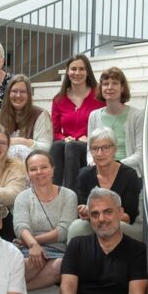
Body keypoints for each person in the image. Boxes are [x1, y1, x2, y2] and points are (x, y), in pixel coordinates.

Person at [13, 150, 78, 291]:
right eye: (33, 169)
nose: (39, 172)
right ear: (28, 174)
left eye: (44, 167)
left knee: (61, 265)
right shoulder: (22, 197)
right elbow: (20, 226)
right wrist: (32, 245)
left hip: (56, 249)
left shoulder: (69, 196)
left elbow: (63, 231)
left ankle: (18, 291)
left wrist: (34, 242)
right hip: (27, 249)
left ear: (53, 169)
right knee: (34, 260)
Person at [67, 127, 143, 243]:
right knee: (77, 227)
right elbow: (83, 208)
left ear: (115, 149)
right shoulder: (84, 174)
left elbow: (128, 217)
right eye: (95, 148)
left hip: (122, 226)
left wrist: (97, 214)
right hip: (93, 224)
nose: (100, 153)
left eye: (106, 148)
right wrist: (83, 210)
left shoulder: (129, 175)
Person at [50, 54, 105, 192]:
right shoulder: (58, 99)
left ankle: (71, 194)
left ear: (87, 72)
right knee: (57, 146)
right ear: (68, 72)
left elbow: (105, 125)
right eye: (73, 69)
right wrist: (64, 138)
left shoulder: (98, 96)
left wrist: (91, 138)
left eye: (81, 69)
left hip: (90, 145)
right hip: (68, 145)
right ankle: (53, 192)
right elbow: (55, 131)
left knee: (72, 147)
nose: (77, 73)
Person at [86, 66, 145, 175]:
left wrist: (115, 165)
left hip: (127, 170)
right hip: (101, 170)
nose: (109, 87)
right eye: (105, 84)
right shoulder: (94, 115)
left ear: (122, 88)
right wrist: (93, 163)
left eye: (115, 83)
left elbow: (140, 154)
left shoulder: (137, 115)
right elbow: (90, 150)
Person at [0, 74, 53, 160]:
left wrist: (22, 141)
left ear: (29, 94)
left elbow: (45, 147)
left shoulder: (40, 115)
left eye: (22, 92)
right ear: (8, 93)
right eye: (14, 91)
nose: (18, 95)